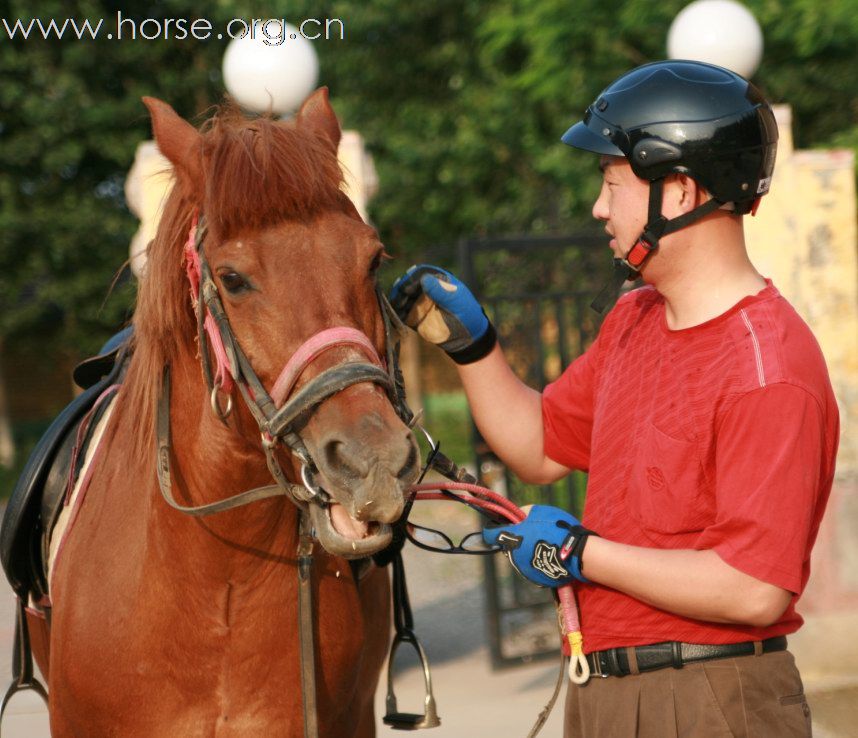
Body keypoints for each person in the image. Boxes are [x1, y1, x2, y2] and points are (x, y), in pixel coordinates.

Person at [390, 60, 838, 737]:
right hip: (602, 693)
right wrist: (472, 348)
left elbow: (753, 587)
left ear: (680, 192)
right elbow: (540, 446)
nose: (599, 207)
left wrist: (580, 553)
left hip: (714, 698)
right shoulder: (634, 321)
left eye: (611, 182)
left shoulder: (766, 365)